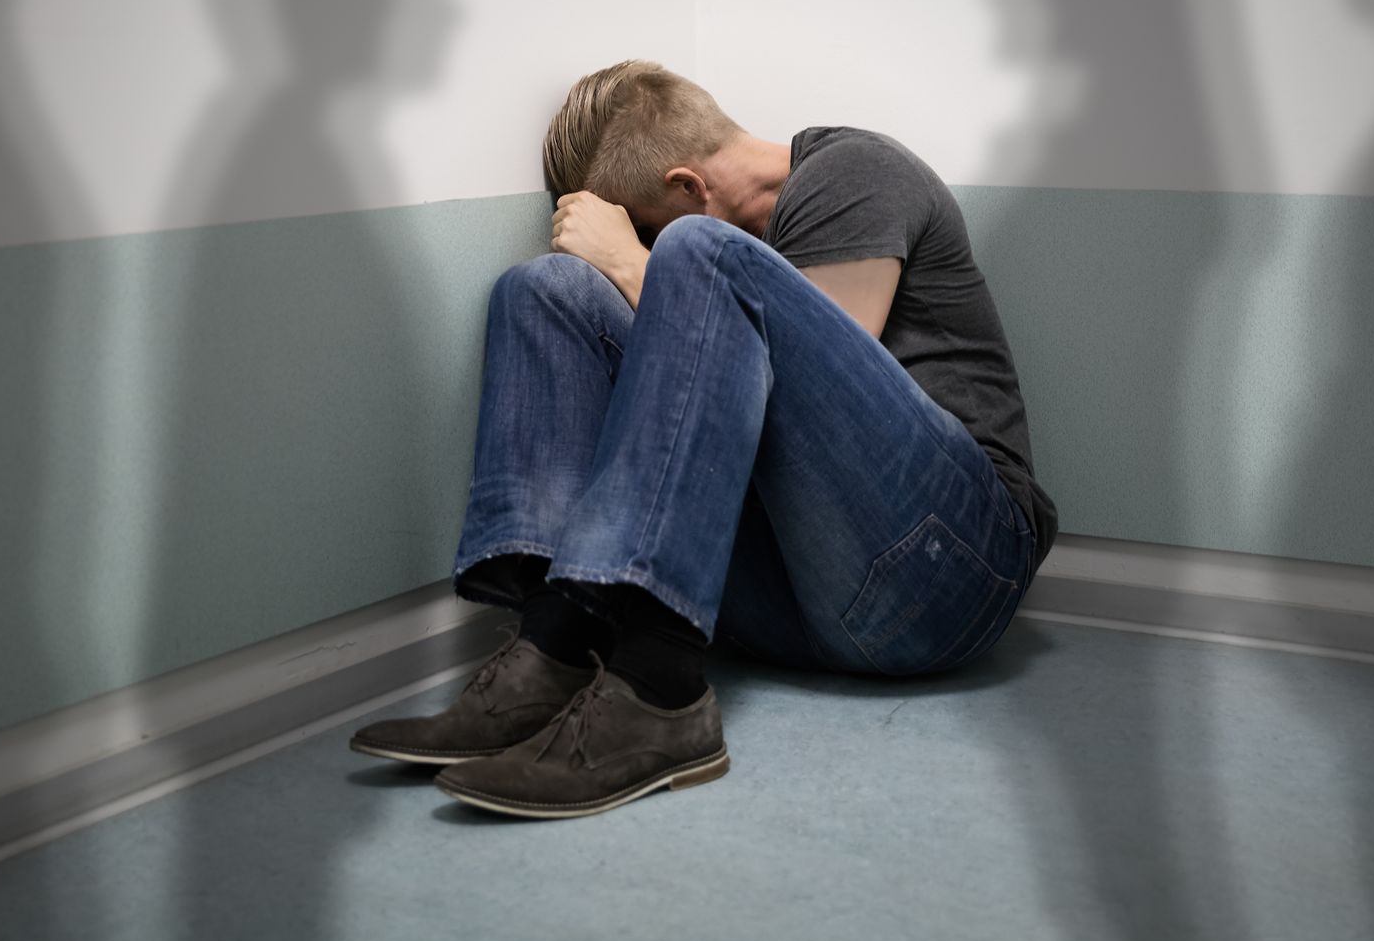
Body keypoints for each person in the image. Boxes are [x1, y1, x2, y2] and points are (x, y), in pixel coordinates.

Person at [350, 59, 1058, 818]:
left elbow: (812, 395)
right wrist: (612, 269)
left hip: (949, 573)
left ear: (687, 185)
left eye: (648, 224)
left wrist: (634, 262)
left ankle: (660, 694)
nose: (649, 248)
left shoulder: (857, 173)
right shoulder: (720, 244)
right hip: (794, 593)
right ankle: (555, 649)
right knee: (545, 290)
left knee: (702, 253)